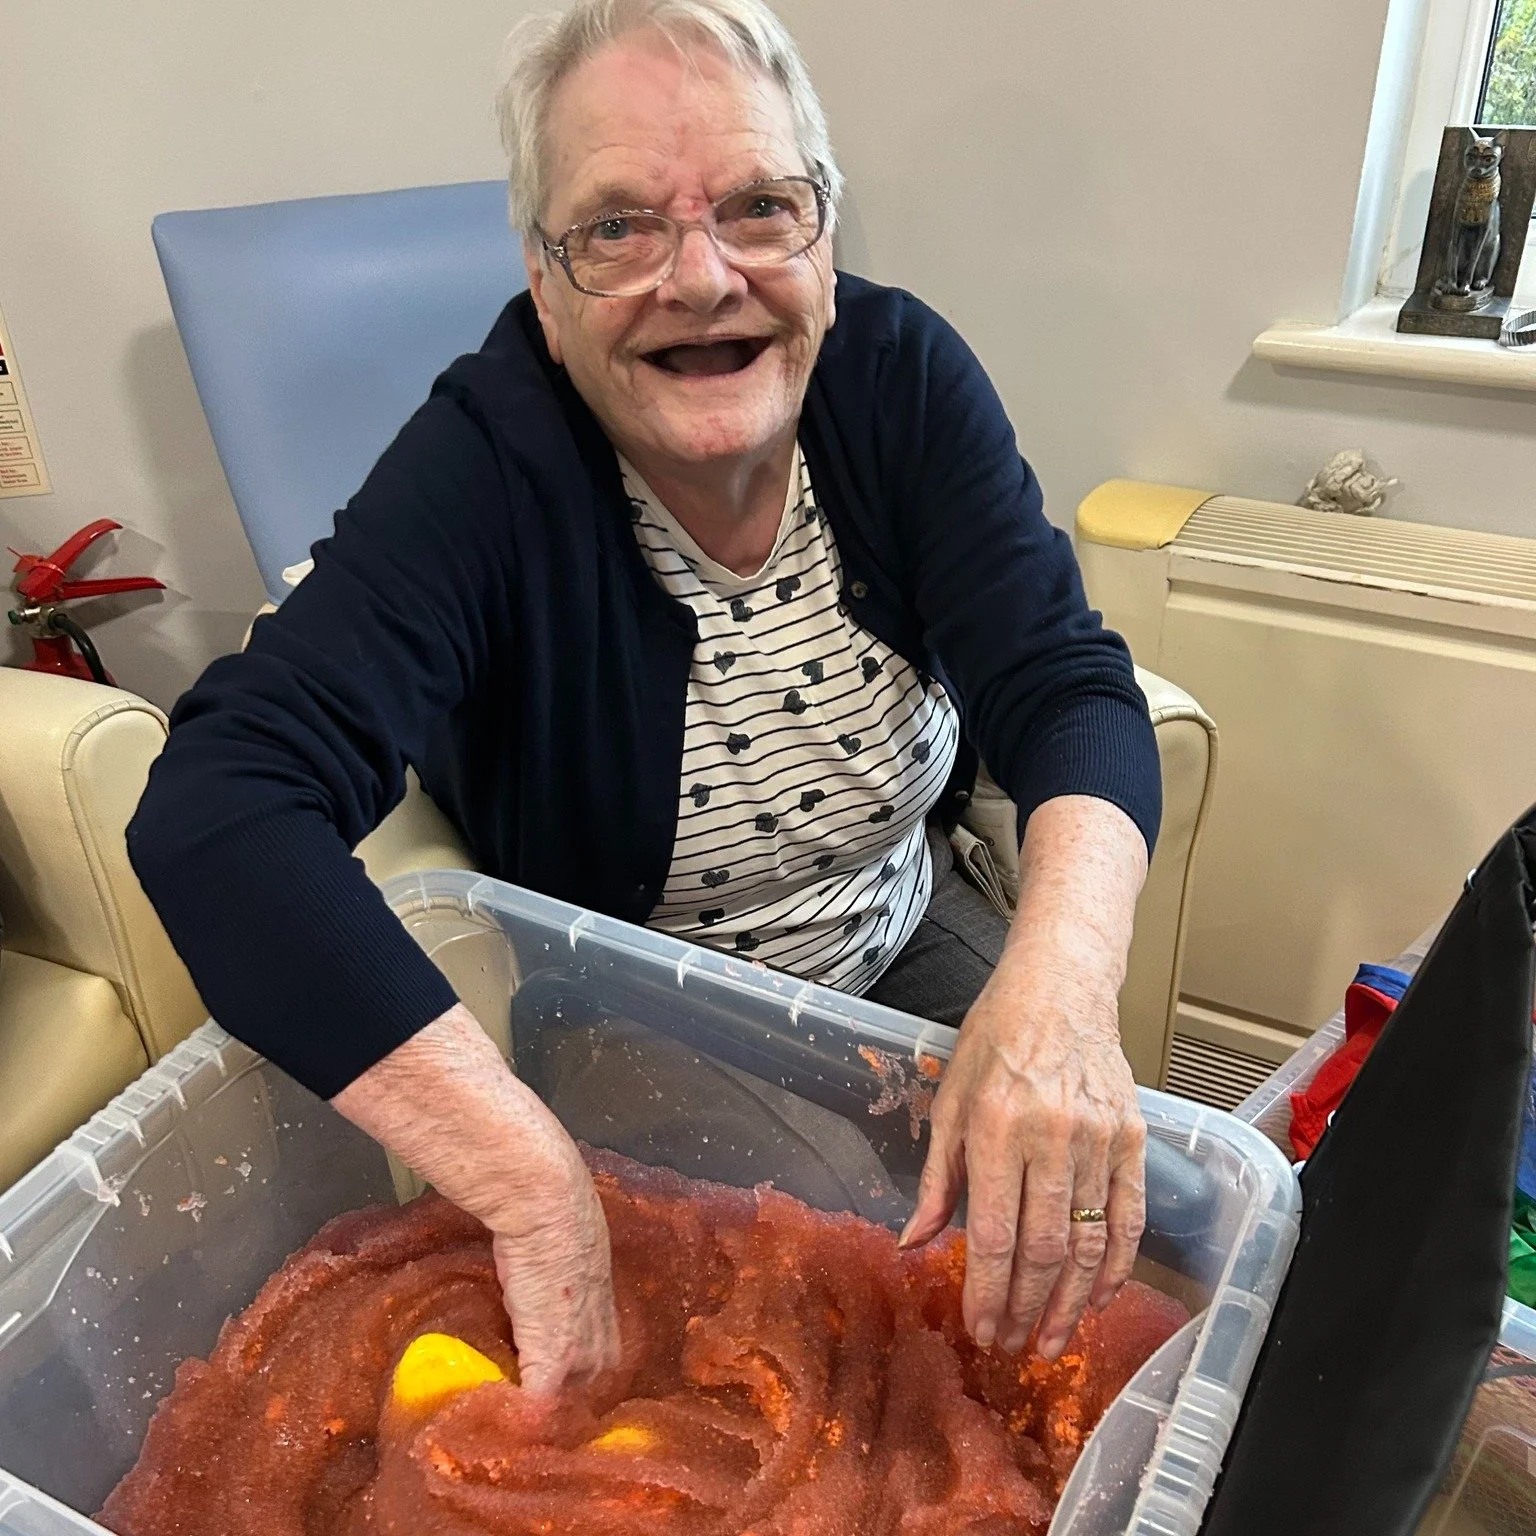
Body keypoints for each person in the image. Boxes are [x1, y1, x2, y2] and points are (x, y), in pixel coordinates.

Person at [128, 0, 1160, 1395]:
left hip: (899, 918)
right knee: (852, 1346)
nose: (703, 276)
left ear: (822, 235)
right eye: (618, 227)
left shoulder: (899, 378)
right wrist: (527, 1180)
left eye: (759, 206)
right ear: (545, 286)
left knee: (1110, 1268)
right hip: (653, 1004)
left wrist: (1060, 990)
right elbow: (218, 810)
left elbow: (1064, 681)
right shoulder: (485, 464)